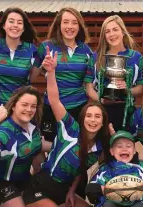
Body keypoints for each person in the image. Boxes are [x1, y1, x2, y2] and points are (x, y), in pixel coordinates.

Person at [24, 49, 111, 207]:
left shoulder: (99, 147)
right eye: (89, 116)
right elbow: (54, 100)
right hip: (41, 185)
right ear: (82, 118)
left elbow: (80, 169)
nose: (92, 120)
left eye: (97, 117)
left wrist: (72, 190)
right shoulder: (70, 128)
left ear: (103, 122)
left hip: (64, 190)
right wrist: (51, 73)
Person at [0, 86, 46, 207]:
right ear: (14, 106)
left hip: (23, 179)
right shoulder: (5, 131)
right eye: (24, 105)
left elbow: (38, 148)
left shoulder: (33, 127)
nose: (29, 109)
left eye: (33, 106)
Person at [35, 7, 93, 142]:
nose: (70, 27)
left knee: (76, 145)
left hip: (78, 107)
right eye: (65, 22)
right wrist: (44, 68)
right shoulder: (46, 47)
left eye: (74, 23)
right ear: (59, 25)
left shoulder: (86, 51)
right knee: (49, 144)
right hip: (51, 106)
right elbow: (32, 75)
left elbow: (89, 82)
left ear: (79, 26)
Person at [85, 15, 143, 131]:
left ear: (123, 32)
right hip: (102, 110)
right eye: (107, 31)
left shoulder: (136, 57)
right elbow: (89, 88)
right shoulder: (96, 57)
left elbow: (141, 88)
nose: (112, 34)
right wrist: (100, 99)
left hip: (127, 110)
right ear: (104, 36)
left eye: (115, 29)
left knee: (123, 147)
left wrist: (127, 90)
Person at [89, 130, 143, 207]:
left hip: (139, 202)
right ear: (111, 151)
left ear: (134, 150)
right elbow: (93, 187)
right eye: (119, 146)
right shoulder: (104, 170)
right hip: (111, 203)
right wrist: (105, 189)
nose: (124, 149)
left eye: (128, 146)